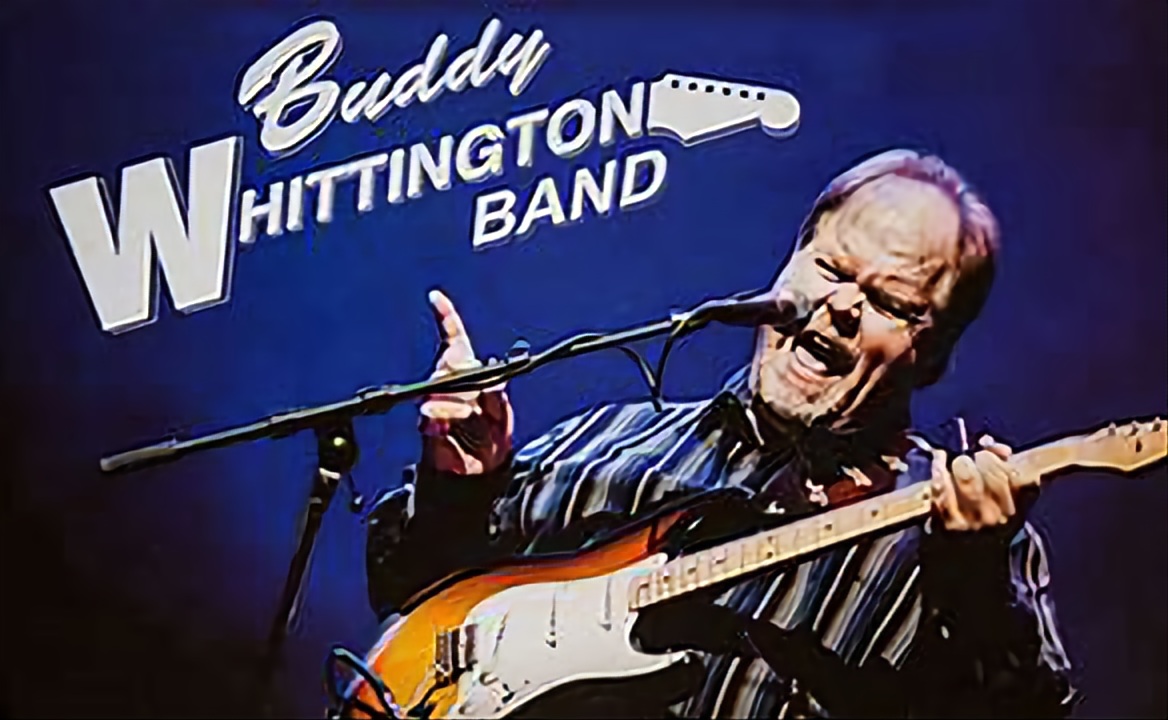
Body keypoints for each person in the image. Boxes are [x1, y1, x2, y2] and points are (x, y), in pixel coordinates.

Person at [362, 149, 1080, 718]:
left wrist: (979, 588)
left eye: (890, 303)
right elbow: (408, 586)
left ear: (938, 355)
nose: (840, 307)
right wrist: (461, 485)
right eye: (830, 268)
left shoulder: (956, 533)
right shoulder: (613, 439)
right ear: (788, 263)